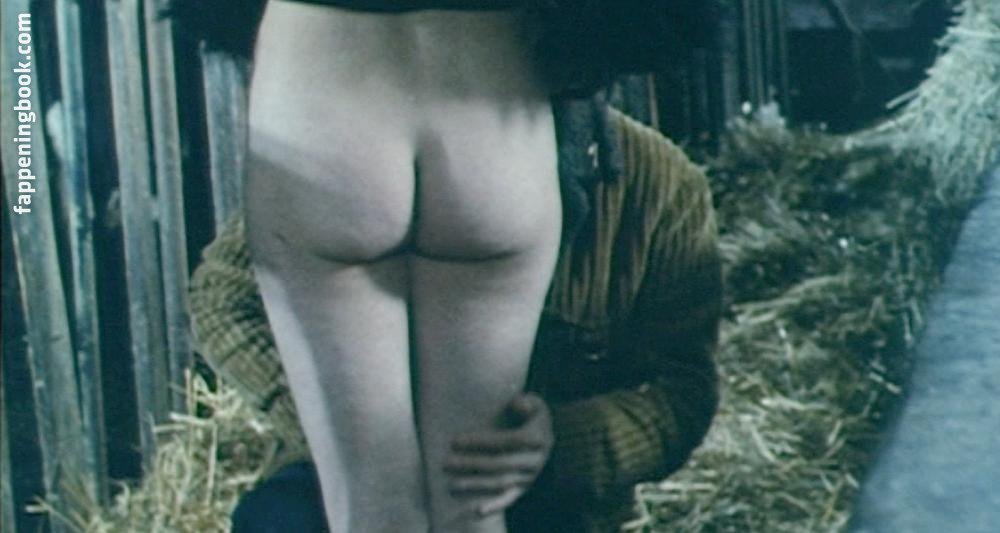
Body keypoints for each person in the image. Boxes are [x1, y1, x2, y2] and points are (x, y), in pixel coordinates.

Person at [190, 107, 722, 532]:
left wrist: (558, 445)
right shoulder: (358, 145)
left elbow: (681, 390)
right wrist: (350, 429)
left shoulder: (663, 189)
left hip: (548, 498)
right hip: (339, 479)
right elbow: (225, 298)